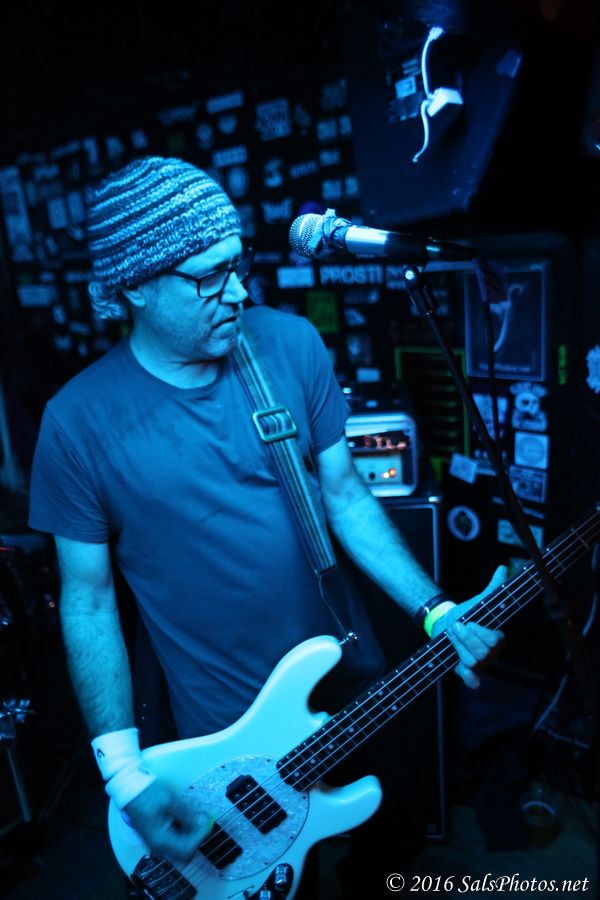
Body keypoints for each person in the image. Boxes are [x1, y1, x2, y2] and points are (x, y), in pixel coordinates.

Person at [28, 156, 505, 898]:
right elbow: (87, 602)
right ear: (135, 287)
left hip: (352, 683)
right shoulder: (75, 424)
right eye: (208, 277)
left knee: (394, 851)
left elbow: (345, 496)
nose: (238, 291)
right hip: (225, 736)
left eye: (238, 264)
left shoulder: (288, 345)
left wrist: (435, 608)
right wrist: (124, 775)